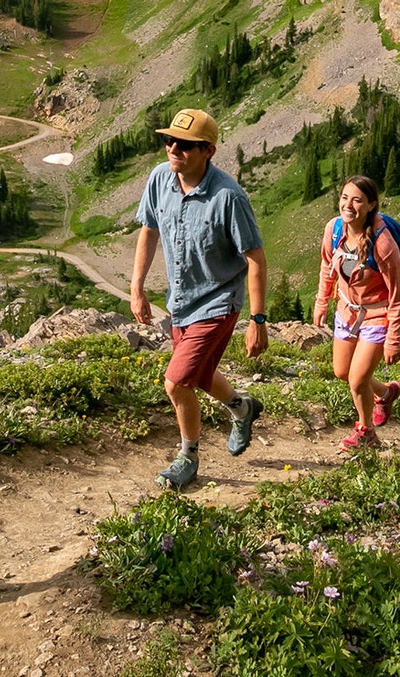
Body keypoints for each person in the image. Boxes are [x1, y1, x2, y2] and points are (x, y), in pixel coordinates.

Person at [128, 108, 268, 490]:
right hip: (181, 302)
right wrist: (137, 288)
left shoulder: (228, 197)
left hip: (219, 301)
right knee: (200, 375)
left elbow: (255, 259)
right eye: (169, 140)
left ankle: (187, 456)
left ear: (208, 150)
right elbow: (149, 232)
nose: (174, 148)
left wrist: (257, 322)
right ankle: (242, 407)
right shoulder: (160, 178)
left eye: (185, 144)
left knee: (176, 383)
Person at [312, 176, 400, 452]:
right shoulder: (334, 228)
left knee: (356, 380)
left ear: (370, 205)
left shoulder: (383, 244)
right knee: (343, 372)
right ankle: (386, 393)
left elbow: (398, 294)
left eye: (356, 200)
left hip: (378, 317)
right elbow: (326, 265)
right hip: (346, 311)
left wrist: (394, 339)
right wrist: (321, 302)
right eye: (344, 197)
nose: (348, 205)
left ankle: (366, 431)